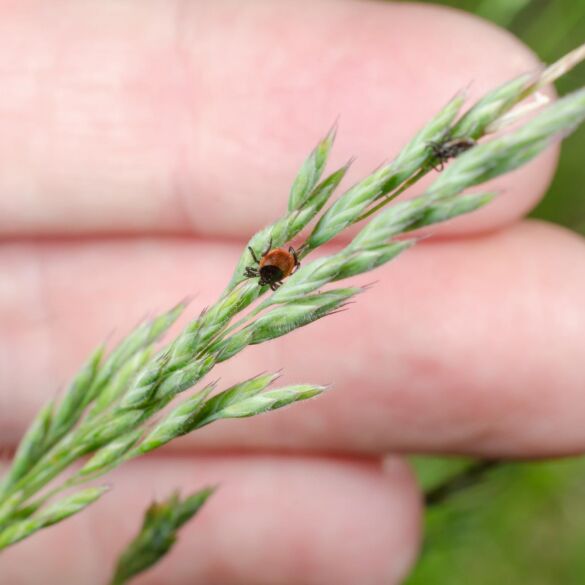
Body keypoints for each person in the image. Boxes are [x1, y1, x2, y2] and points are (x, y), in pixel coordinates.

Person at [1, 1, 583, 583]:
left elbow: (273, 264)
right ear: (274, 271)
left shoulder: (272, 266)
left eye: (272, 269)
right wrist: (275, 271)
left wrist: (270, 271)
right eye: (273, 269)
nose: (272, 269)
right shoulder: (276, 267)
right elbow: (275, 265)